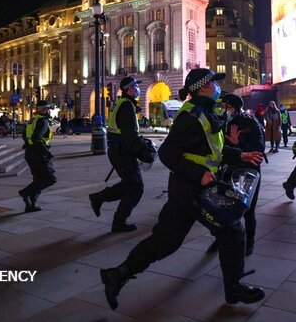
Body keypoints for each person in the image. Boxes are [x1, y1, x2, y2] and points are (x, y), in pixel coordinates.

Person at [99, 69, 265, 310]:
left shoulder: (204, 112)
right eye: (214, 84)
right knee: (232, 231)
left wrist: (239, 154)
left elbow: (207, 151)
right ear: (203, 88)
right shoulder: (191, 116)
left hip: (186, 189)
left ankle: (118, 274)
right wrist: (200, 174)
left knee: (167, 240)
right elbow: (167, 153)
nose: (218, 88)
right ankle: (234, 288)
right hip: (191, 189)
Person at [206, 93, 265, 256]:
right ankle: (219, 240)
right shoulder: (220, 122)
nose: (224, 110)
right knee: (222, 208)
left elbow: (258, 150)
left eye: (227, 107)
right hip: (226, 171)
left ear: (236, 108)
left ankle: (249, 242)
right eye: (222, 107)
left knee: (247, 210)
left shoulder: (250, 122)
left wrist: (238, 144)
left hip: (247, 172)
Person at [89, 76, 144, 232]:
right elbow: (129, 135)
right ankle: (118, 221)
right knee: (136, 187)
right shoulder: (127, 106)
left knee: (130, 184)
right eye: (134, 86)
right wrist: (142, 151)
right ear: (128, 88)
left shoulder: (123, 104)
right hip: (122, 152)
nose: (137, 88)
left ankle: (99, 199)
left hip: (119, 151)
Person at [19, 100, 57, 212]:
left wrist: (29, 144)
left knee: (38, 179)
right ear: (44, 109)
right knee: (50, 178)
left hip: (30, 152)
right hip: (39, 153)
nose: (49, 111)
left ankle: (31, 205)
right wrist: (46, 152)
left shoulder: (32, 120)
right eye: (48, 108)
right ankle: (25, 193)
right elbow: (37, 138)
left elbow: (24, 135)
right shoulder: (43, 121)